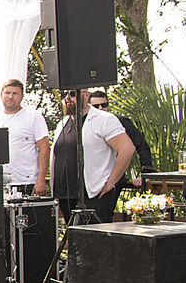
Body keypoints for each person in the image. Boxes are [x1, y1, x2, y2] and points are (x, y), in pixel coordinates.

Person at [51, 88, 135, 224]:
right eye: (64, 94)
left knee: (97, 241)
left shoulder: (104, 119)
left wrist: (111, 182)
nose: (67, 98)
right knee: (75, 241)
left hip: (95, 194)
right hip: (67, 195)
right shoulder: (63, 123)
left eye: (73, 94)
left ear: (86, 95)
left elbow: (127, 148)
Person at [88, 90, 154, 186]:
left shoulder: (121, 122)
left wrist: (146, 173)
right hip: (90, 181)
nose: (101, 108)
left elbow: (141, 146)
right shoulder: (86, 125)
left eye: (104, 104)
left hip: (114, 181)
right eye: (96, 106)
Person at [0, 79, 50, 195]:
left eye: (15, 93)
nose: (10, 97)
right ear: (1, 95)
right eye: (7, 93)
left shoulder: (34, 117)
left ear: (22, 96)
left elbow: (45, 148)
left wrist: (41, 179)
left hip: (27, 182)